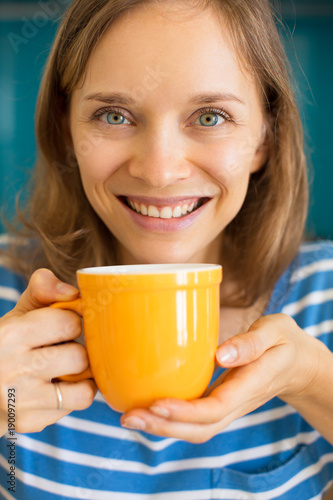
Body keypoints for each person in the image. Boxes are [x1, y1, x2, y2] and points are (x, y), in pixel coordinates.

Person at [0, 0, 332, 498]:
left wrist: (313, 382)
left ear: (265, 138)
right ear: (66, 132)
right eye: (114, 115)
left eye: (211, 116)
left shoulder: (324, 292)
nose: (159, 170)